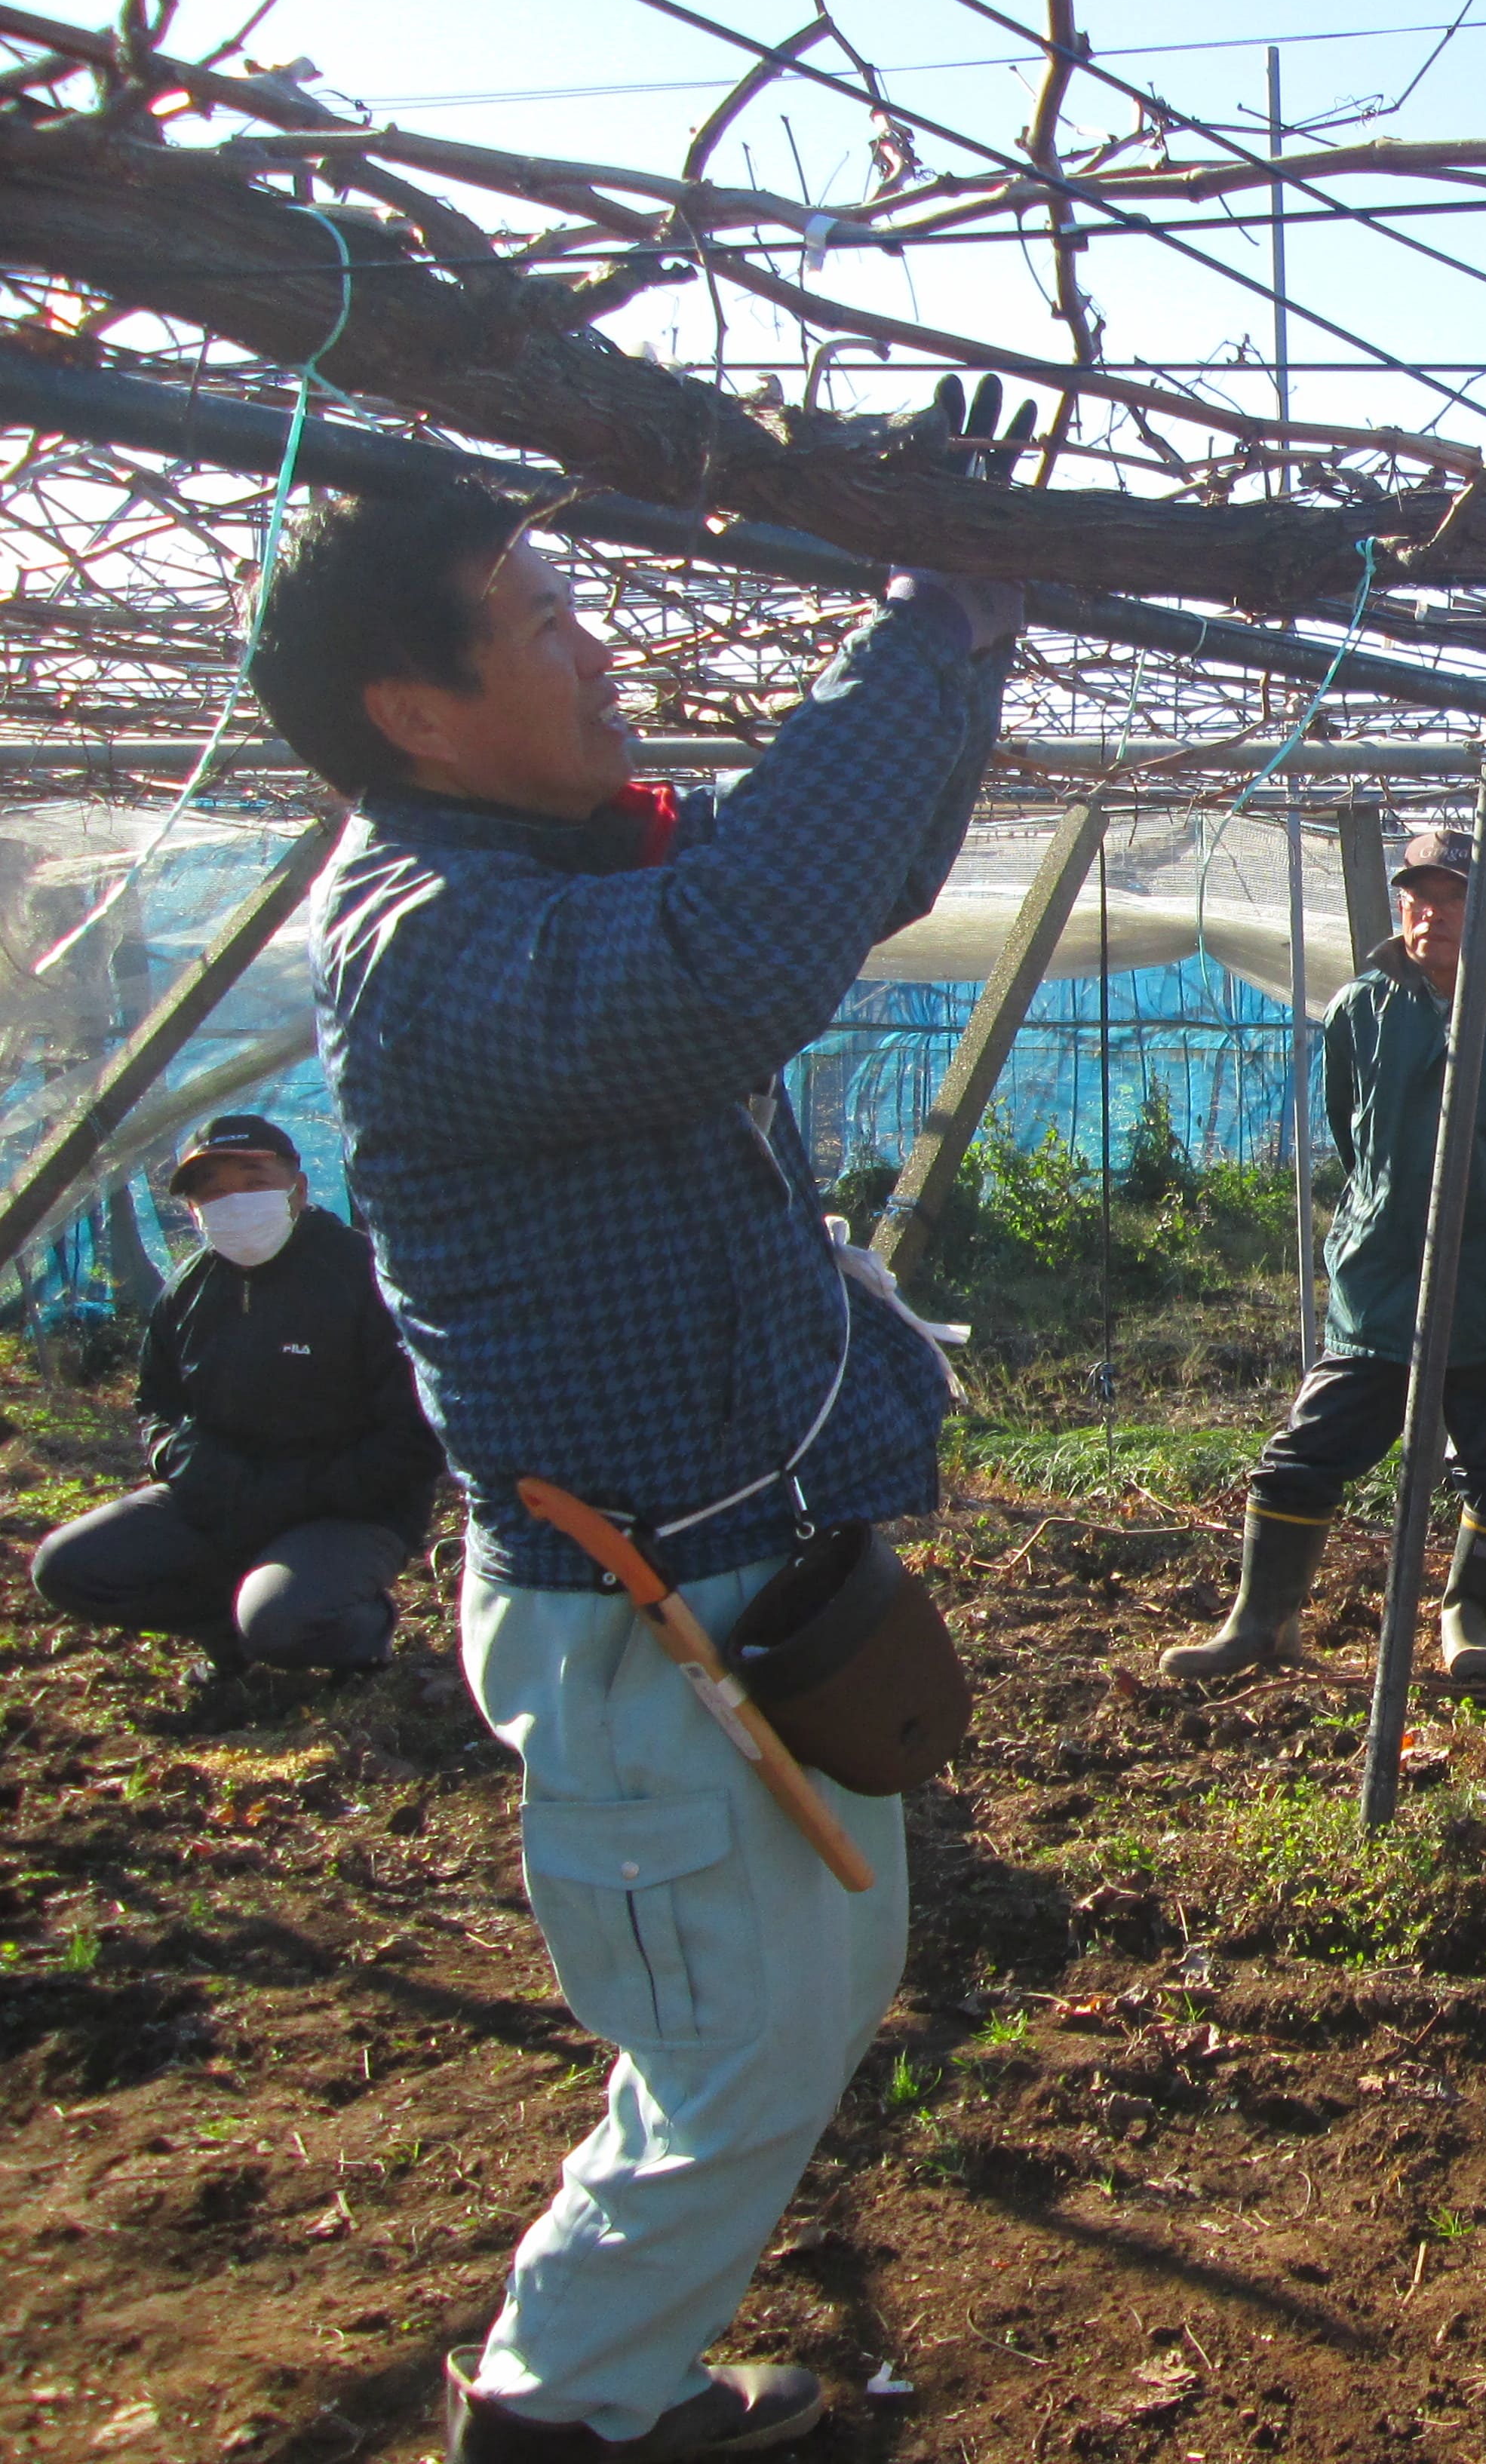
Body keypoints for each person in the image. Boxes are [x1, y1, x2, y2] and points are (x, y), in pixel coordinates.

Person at [250, 377, 1026, 2464]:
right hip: (646, 1622)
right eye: (541, 616)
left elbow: (837, 886)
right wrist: (920, 619)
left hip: (744, 1587)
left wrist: (978, 626)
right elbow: (731, 960)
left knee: (804, 2004)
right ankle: (566, 2410)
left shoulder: (562, 869)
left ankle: (619, 2389)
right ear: (413, 707)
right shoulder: (429, 940)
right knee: (728, 2051)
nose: (598, 646)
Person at [1165, 826, 1486, 1687]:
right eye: (1418, 898)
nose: (1430, 914)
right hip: (1385, 1278)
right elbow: (1348, 1129)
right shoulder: (1361, 1008)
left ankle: (1468, 1623)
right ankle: (1262, 1620)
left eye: (1453, 898)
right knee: (1307, 1449)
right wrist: (1390, 1213)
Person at [29, 1112, 442, 1677]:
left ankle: (353, 1629)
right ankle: (230, 1629)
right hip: (221, 1502)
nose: (236, 1202)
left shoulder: (368, 1277)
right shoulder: (188, 1290)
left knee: (286, 1621)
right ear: (194, 1210)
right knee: (67, 1566)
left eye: (254, 1182)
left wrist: (302, 1492)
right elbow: (157, 1404)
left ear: (297, 1187)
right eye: (214, 1191)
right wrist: (186, 1461)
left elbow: (418, 1432)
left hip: (349, 1513)